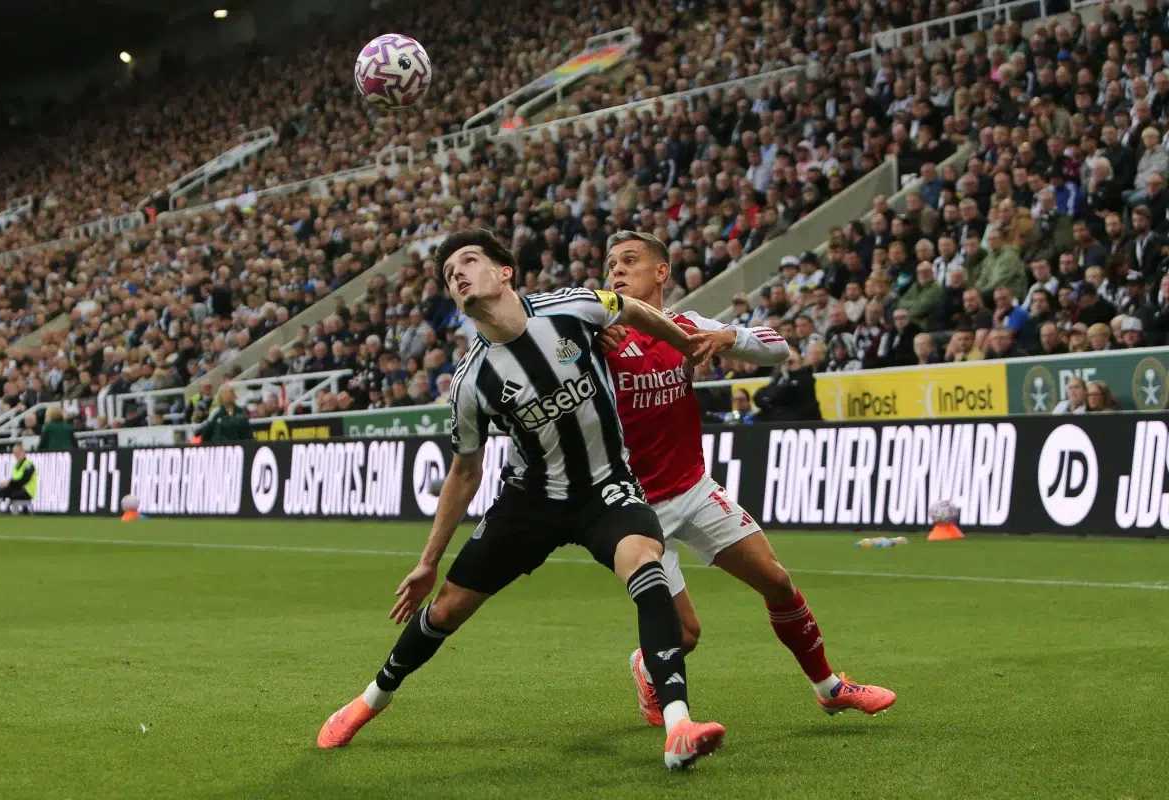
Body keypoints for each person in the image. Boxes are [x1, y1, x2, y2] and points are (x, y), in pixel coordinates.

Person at [316, 230, 728, 770]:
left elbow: (632, 309)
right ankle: (372, 699)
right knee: (444, 610)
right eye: (449, 274)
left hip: (605, 488)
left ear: (505, 271)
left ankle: (678, 726)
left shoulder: (574, 306)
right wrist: (426, 561)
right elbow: (465, 471)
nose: (458, 274)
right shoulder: (470, 381)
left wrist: (681, 342)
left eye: (469, 261)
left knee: (645, 565)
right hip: (529, 503)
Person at [598, 231, 894, 727]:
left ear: (662, 272)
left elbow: (779, 349)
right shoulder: (595, 335)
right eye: (611, 265)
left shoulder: (686, 326)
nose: (617, 272)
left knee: (777, 581)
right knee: (686, 634)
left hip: (692, 488)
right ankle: (646, 666)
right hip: (636, 510)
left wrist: (728, 337)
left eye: (630, 261)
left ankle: (829, 687)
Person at [0, 443, 37, 514]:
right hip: (17, 488)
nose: (16, 455)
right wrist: (7, 484)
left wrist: (9, 484)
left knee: (2, 491)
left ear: (23, 452)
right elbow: (15, 480)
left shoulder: (28, 465)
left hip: (27, 491)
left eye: (17, 453)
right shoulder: (16, 466)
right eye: (14, 453)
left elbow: (24, 480)